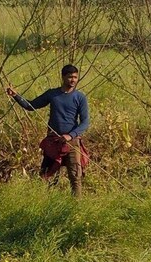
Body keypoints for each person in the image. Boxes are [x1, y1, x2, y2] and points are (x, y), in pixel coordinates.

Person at [6, 64, 90, 196]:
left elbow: (85, 122)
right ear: (63, 77)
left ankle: (77, 208)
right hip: (53, 142)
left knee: (75, 177)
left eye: (75, 77)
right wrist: (16, 96)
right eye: (70, 77)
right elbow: (31, 106)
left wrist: (70, 135)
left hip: (71, 143)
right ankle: (46, 203)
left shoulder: (80, 97)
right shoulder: (52, 94)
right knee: (46, 176)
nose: (73, 80)